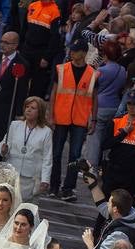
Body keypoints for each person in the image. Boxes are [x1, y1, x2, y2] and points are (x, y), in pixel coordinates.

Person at [48, 38, 98, 202]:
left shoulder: (92, 74)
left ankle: (68, 189)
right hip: (61, 117)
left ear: (83, 53)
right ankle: (54, 186)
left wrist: (93, 119)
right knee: (56, 153)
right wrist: (51, 115)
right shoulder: (61, 69)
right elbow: (54, 92)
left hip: (80, 119)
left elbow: (95, 98)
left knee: (75, 156)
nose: (72, 53)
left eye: (75, 51)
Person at [0, 31, 29, 165]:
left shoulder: (22, 63)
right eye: (1, 42)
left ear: (15, 45)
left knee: (0, 140)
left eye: (6, 43)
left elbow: (21, 90)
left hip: (6, 109)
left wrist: (19, 112)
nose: (2, 45)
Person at [0, 97, 53, 200]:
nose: (28, 110)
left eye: (33, 108)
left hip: (31, 178)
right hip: (12, 174)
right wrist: (3, 148)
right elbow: (4, 143)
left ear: (40, 111)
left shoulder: (46, 132)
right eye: (27, 107)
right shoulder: (15, 125)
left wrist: (45, 179)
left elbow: (47, 157)